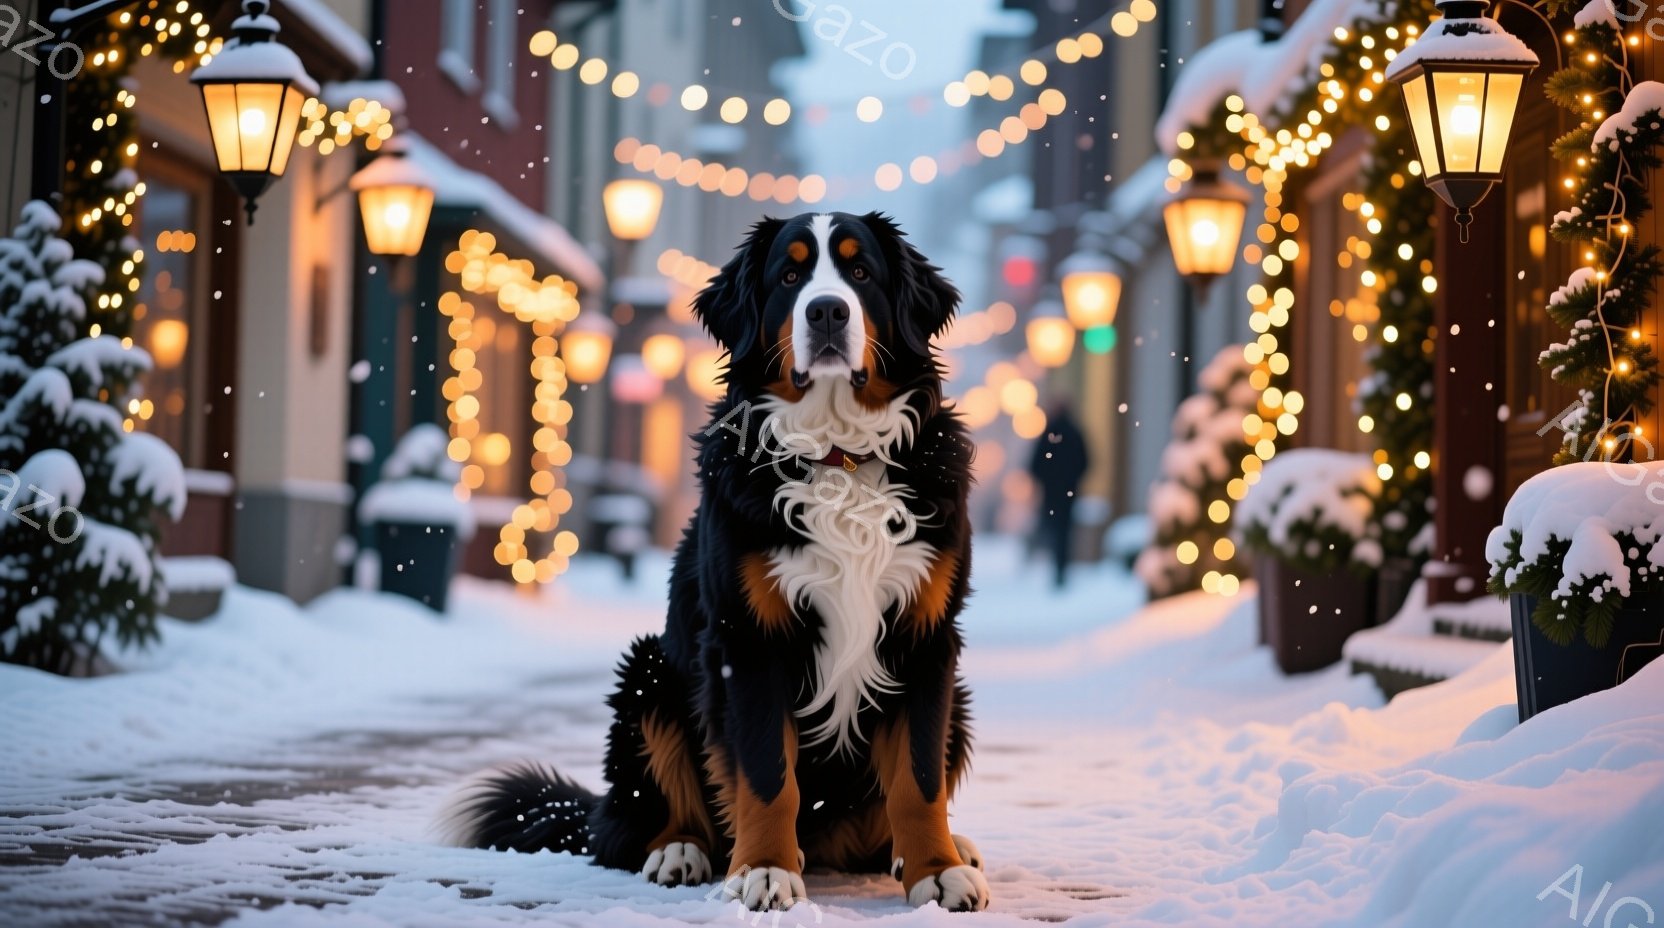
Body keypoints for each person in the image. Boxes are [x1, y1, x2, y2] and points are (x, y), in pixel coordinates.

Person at [1027, 399, 1089, 588]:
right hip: (1068, 492)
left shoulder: (1050, 433)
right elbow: (1085, 461)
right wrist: (1072, 478)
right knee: (1065, 531)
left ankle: (1057, 566)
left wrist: (1047, 479)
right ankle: (1061, 567)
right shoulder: (1074, 432)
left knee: (1053, 528)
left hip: (1052, 492)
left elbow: (1035, 464)